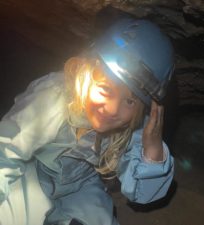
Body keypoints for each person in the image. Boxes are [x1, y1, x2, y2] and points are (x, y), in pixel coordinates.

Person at [0, 17, 175, 225]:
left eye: (129, 101)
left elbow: (142, 193)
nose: (112, 110)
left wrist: (153, 146)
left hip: (81, 185)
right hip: (34, 171)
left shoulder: (133, 128)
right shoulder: (54, 96)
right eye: (105, 89)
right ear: (88, 72)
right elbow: (7, 151)